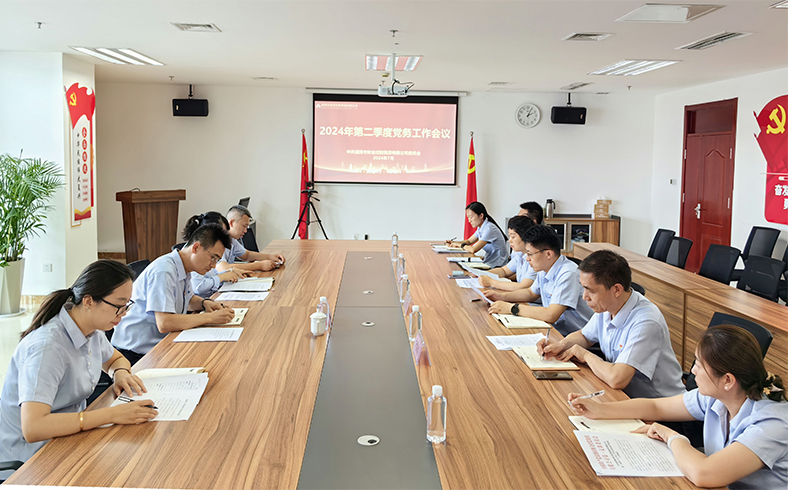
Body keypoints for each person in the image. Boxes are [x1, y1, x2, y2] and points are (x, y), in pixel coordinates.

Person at [568, 324, 788, 490]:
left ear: (728, 380)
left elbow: (704, 474)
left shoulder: (772, 423)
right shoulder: (718, 396)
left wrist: (672, 437)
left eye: (699, 364)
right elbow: (656, 407)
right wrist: (600, 410)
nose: (693, 371)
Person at [0, 260, 158, 481]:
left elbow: (115, 359)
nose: (123, 314)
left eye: (127, 305)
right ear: (88, 301)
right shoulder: (47, 348)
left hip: (70, 436)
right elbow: (33, 427)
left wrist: (120, 373)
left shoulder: (91, 329)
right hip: (32, 459)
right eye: (118, 306)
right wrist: (111, 414)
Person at [537, 250, 684, 398]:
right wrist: (561, 345)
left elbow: (617, 379)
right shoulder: (607, 306)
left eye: (590, 291)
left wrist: (584, 355)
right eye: (583, 288)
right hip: (621, 396)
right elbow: (584, 336)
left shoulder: (646, 322)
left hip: (659, 405)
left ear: (617, 290)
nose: (584, 297)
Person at [111, 224, 236, 365]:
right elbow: (165, 323)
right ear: (196, 247)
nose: (213, 265)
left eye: (217, 260)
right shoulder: (164, 271)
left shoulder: (184, 267)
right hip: (135, 355)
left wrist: (205, 303)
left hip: (160, 344)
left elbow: (188, 299)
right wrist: (210, 318)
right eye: (213, 257)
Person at [486, 225, 592, 336]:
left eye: (530, 254)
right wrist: (500, 296)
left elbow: (551, 314)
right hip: (554, 329)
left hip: (576, 336)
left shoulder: (568, 273)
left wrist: (511, 308)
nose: (527, 258)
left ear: (548, 254)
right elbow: (531, 293)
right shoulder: (544, 268)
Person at [182, 212, 250, 297]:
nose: (224, 238)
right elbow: (199, 287)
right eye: (220, 235)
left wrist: (227, 273)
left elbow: (210, 278)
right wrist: (222, 277)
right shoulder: (197, 254)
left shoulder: (207, 252)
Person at [215, 205, 286, 274]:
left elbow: (247, 255)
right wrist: (260, 265)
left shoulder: (232, 240)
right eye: (244, 226)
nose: (245, 231)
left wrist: (270, 257)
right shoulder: (218, 241)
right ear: (231, 223)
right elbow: (223, 268)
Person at [478, 215, 536, 292]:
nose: (509, 240)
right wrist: (481, 274)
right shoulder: (519, 254)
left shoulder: (535, 258)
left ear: (525, 237)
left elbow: (523, 287)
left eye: (513, 237)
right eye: (509, 236)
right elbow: (504, 271)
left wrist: (491, 282)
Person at [445, 201, 508, 268]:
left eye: (471, 217)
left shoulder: (489, 229)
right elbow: (469, 241)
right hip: (489, 263)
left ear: (481, 216)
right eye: (468, 217)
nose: (469, 221)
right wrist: (453, 243)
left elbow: (473, 249)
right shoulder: (481, 228)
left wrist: (460, 245)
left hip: (497, 266)